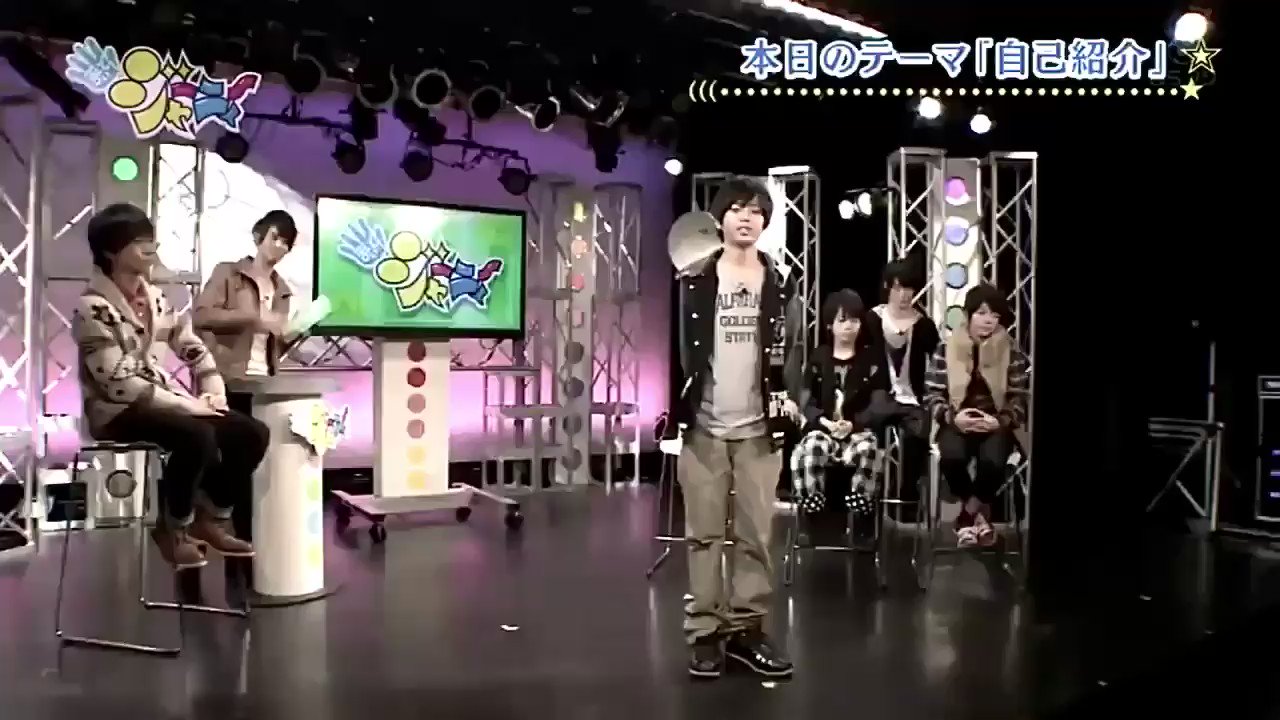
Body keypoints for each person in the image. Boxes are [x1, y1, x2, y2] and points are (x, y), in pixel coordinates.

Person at [73, 203, 268, 569]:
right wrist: (189, 405)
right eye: (139, 242)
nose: (151, 249)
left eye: (151, 240)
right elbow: (118, 385)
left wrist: (212, 387)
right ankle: (173, 527)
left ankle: (212, 517)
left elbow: (190, 345)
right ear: (111, 252)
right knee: (196, 435)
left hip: (162, 401)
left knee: (250, 433)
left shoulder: (156, 299)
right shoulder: (92, 308)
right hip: (116, 411)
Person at [672, 175, 800, 679]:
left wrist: (791, 401)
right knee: (704, 537)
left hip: (760, 431)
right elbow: (682, 352)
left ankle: (748, 631)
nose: (747, 218)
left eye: (756, 211)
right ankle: (705, 633)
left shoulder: (780, 282)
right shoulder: (695, 279)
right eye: (737, 209)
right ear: (720, 218)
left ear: (765, 222)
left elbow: (793, 350)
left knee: (755, 537)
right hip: (704, 427)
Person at [923, 284, 1030, 548]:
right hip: (956, 420)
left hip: (996, 422)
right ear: (968, 315)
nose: (988, 320)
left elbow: (1019, 397)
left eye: (995, 315)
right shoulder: (947, 347)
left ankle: (966, 518)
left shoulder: (1011, 349)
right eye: (982, 313)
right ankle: (980, 518)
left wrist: (1000, 421)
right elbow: (932, 395)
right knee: (952, 457)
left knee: (993, 461)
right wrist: (953, 418)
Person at [791, 289, 891, 517]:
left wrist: (855, 424)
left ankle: (861, 503)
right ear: (830, 324)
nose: (849, 326)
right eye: (842, 320)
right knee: (810, 448)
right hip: (824, 429)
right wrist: (823, 422)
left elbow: (879, 403)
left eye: (854, 320)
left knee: (869, 450)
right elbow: (807, 401)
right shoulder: (819, 358)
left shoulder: (872, 360)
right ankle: (811, 503)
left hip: (858, 431)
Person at [864, 259, 940, 498]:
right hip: (878, 396)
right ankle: (871, 491)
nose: (904, 294)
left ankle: (906, 494)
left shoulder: (924, 325)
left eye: (909, 288)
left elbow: (939, 364)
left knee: (917, 433)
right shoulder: (872, 319)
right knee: (872, 422)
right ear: (888, 287)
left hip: (912, 399)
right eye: (898, 288)